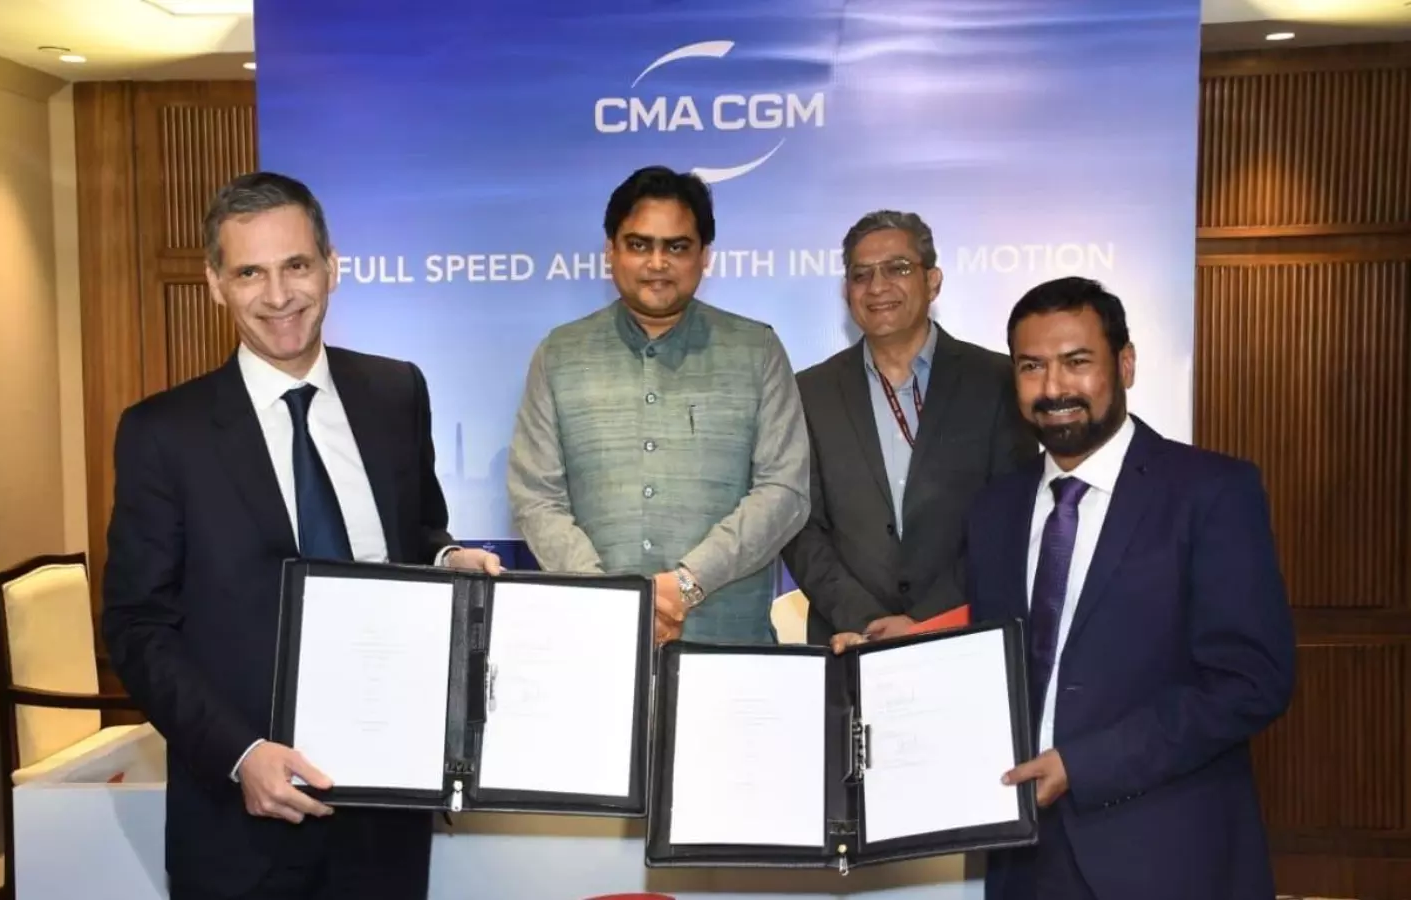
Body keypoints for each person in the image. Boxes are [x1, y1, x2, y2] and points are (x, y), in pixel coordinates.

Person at [101, 171, 501, 900]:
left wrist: (449, 558)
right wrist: (239, 754)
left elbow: (417, 529)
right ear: (215, 283)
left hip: (385, 812)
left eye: (296, 265)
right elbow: (137, 625)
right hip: (238, 822)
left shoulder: (396, 392)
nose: (278, 294)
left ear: (331, 267)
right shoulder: (162, 433)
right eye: (249, 272)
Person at [968, 277, 1294, 900]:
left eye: (1077, 362)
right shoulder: (994, 509)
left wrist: (1083, 765)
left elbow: (1252, 681)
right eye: (1031, 366)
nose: (1053, 388)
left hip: (1166, 853)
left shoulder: (1212, 492)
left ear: (1125, 364)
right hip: (1023, 858)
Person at [506, 164, 810, 644]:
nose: (657, 262)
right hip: (595, 639)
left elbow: (785, 490)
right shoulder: (559, 354)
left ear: (704, 256)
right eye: (639, 244)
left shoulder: (757, 350)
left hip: (728, 644)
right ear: (611, 251)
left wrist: (686, 585)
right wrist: (613, 599)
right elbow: (536, 495)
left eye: (677, 247)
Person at [781, 210, 1034, 648]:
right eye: (861, 274)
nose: (877, 286)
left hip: (968, 635)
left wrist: (924, 621)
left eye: (897, 268)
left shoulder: (997, 382)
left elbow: (1012, 516)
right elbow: (800, 527)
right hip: (849, 639)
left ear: (933, 281)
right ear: (846, 291)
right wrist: (867, 621)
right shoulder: (808, 392)